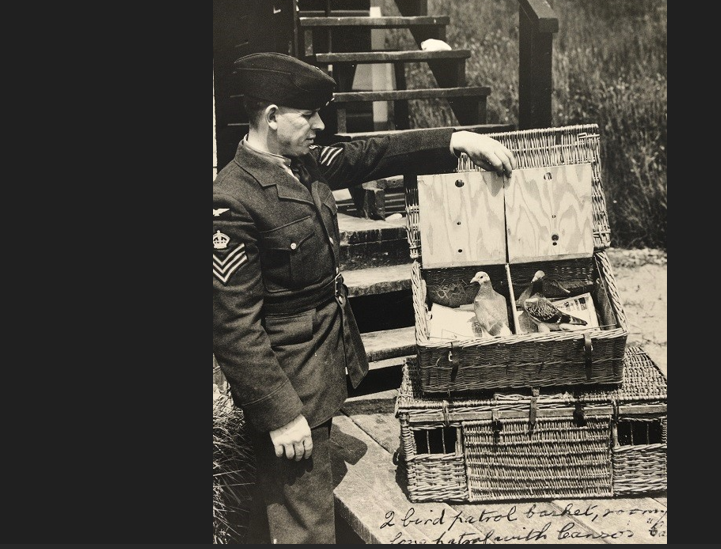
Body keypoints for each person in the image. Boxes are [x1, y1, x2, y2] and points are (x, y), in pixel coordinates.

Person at [212, 52, 515, 544]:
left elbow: (371, 154)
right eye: (308, 115)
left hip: (325, 360)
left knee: (289, 504)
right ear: (271, 117)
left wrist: (456, 139)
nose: (320, 124)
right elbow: (232, 327)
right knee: (306, 529)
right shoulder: (233, 198)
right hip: (292, 381)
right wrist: (281, 414)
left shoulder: (301, 163)